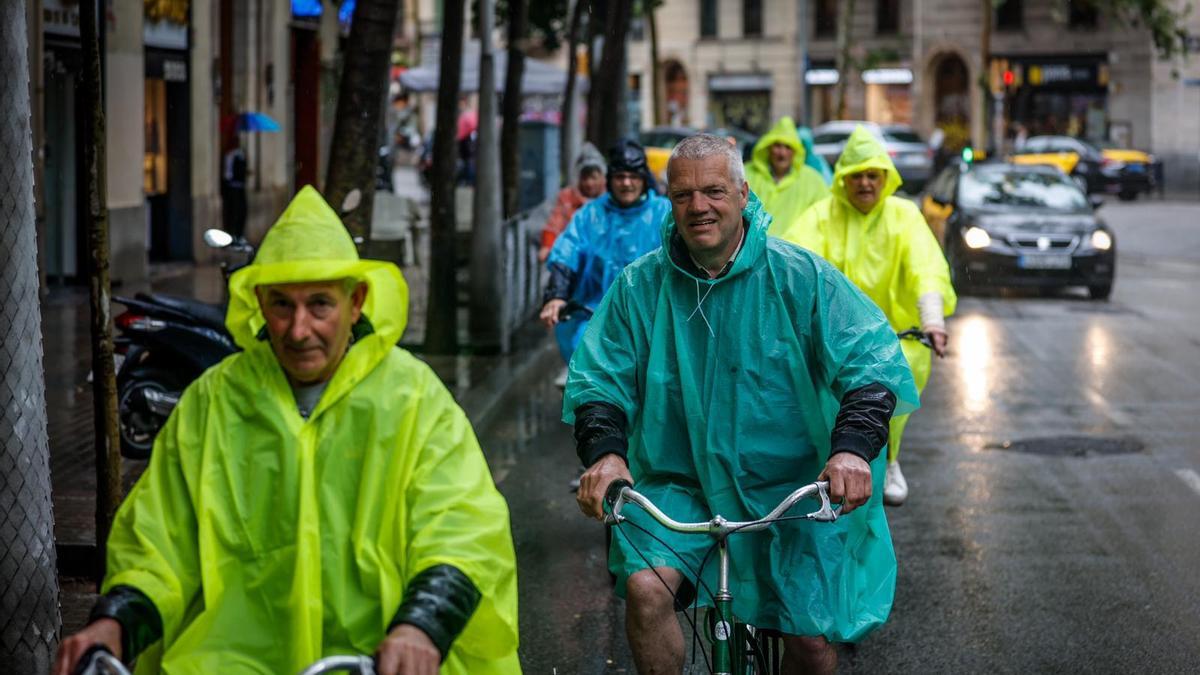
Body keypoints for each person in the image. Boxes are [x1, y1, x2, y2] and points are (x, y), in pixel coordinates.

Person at [53, 187, 521, 675]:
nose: (298, 330)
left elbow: (462, 528)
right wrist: (114, 624)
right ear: (258, 302)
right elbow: (161, 540)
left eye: (320, 304)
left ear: (356, 302)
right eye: (281, 305)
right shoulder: (213, 403)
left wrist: (420, 627)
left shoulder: (413, 399)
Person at [567, 134, 919, 674]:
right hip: (678, 485)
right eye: (683, 195)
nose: (698, 207)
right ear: (668, 200)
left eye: (713, 191)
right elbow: (598, 379)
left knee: (807, 638)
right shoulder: (640, 286)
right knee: (645, 589)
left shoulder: (799, 277)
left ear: (742, 192)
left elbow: (870, 363)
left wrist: (851, 450)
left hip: (794, 489)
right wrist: (606, 454)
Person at [781, 125, 956, 507]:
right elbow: (792, 265)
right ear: (843, 179)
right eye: (856, 175)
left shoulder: (903, 216)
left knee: (892, 388)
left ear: (885, 178)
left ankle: (890, 458)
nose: (864, 183)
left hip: (895, 338)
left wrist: (932, 320)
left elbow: (925, 267)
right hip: (833, 339)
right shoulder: (822, 216)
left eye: (872, 175)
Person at [539, 138, 670, 367]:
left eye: (633, 176)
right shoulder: (590, 215)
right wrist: (556, 295)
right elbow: (568, 251)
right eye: (620, 176)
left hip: (654, 322)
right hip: (595, 319)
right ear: (610, 179)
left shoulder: (665, 213)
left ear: (644, 179)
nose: (626, 183)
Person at [745, 116, 830, 236]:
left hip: (795, 252)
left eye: (788, 147)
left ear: (796, 151)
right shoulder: (747, 174)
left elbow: (825, 218)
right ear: (768, 148)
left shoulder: (813, 180)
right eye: (777, 146)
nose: (782, 153)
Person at [538, 143, 607, 262]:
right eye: (585, 178)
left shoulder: (610, 199)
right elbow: (554, 225)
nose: (589, 183)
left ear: (603, 177)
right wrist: (547, 246)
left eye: (594, 178)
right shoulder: (567, 197)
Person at [221, 136, 248, 239]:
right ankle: (232, 234)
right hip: (233, 188)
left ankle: (239, 234)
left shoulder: (241, 154)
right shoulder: (230, 155)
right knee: (233, 212)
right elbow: (227, 174)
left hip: (241, 187)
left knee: (242, 211)